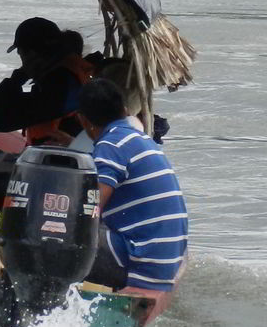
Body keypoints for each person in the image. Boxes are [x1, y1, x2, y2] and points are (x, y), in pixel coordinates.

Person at [76, 78, 188, 293]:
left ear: (83, 120)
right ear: (125, 110)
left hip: (142, 265)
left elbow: (91, 211)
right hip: (165, 261)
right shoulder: (140, 139)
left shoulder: (110, 146)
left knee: (59, 234)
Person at [0, 17, 94, 145]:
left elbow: (1, 121)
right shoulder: (69, 76)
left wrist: (21, 74)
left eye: (20, 53)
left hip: (61, 160)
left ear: (32, 54)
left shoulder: (59, 84)